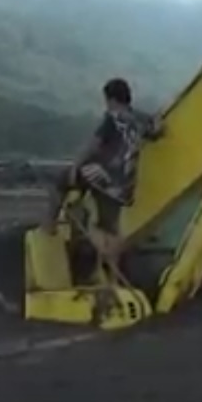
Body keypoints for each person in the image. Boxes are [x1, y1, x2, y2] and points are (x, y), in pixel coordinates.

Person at [42, 77, 163, 269]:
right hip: (124, 184)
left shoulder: (113, 117)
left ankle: (48, 228)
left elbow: (94, 144)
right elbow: (157, 130)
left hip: (103, 175)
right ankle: (113, 270)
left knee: (61, 181)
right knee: (111, 226)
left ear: (112, 99)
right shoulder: (140, 119)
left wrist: (75, 167)